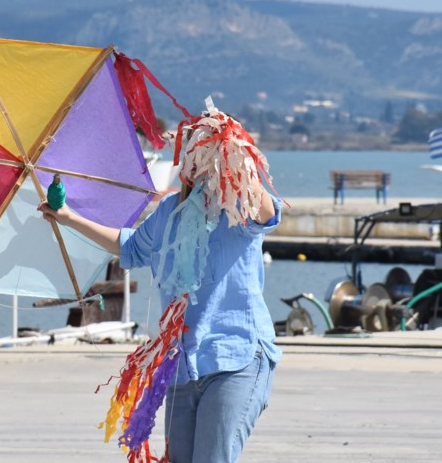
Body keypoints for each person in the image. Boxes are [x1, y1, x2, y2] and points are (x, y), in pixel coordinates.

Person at [39, 104, 281, 462]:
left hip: (237, 358)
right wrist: (67, 217)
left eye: (210, 148)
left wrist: (234, 149)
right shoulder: (170, 213)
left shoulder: (238, 208)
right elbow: (130, 247)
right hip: (182, 365)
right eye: (196, 150)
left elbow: (267, 212)